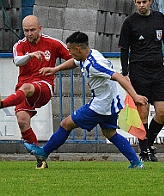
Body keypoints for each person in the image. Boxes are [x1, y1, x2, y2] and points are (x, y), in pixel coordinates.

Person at [24, 31, 148, 169]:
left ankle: (43, 152)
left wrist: (135, 96)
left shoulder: (94, 64)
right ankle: (136, 162)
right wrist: (55, 69)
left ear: (77, 48)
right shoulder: (88, 54)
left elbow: (118, 76)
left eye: (70, 50)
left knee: (66, 124)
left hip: (101, 105)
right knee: (110, 133)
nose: (69, 53)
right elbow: (74, 62)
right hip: (110, 103)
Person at [118, 0, 164, 162]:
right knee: (143, 112)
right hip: (139, 71)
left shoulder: (159, 18)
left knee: (162, 112)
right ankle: (145, 151)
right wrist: (126, 73)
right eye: (138, 2)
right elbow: (124, 50)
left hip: (158, 71)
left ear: (150, 1)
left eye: (144, 2)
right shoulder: (129, 23)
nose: (141, 5)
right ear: (134, 3)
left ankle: (148, 144)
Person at [0, 15, 71, 168]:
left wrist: (57, 68)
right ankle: (40, 159)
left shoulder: (53, 43)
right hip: (24, 89)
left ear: (40, 28)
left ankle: (2, 104)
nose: (29, 34)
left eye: (32, 30)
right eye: (26, 31)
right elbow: (17, 60)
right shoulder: (19, 45)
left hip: (44, 86)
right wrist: (30, 55)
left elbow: (73, 57)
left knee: (26, 88)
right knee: (22, 122)